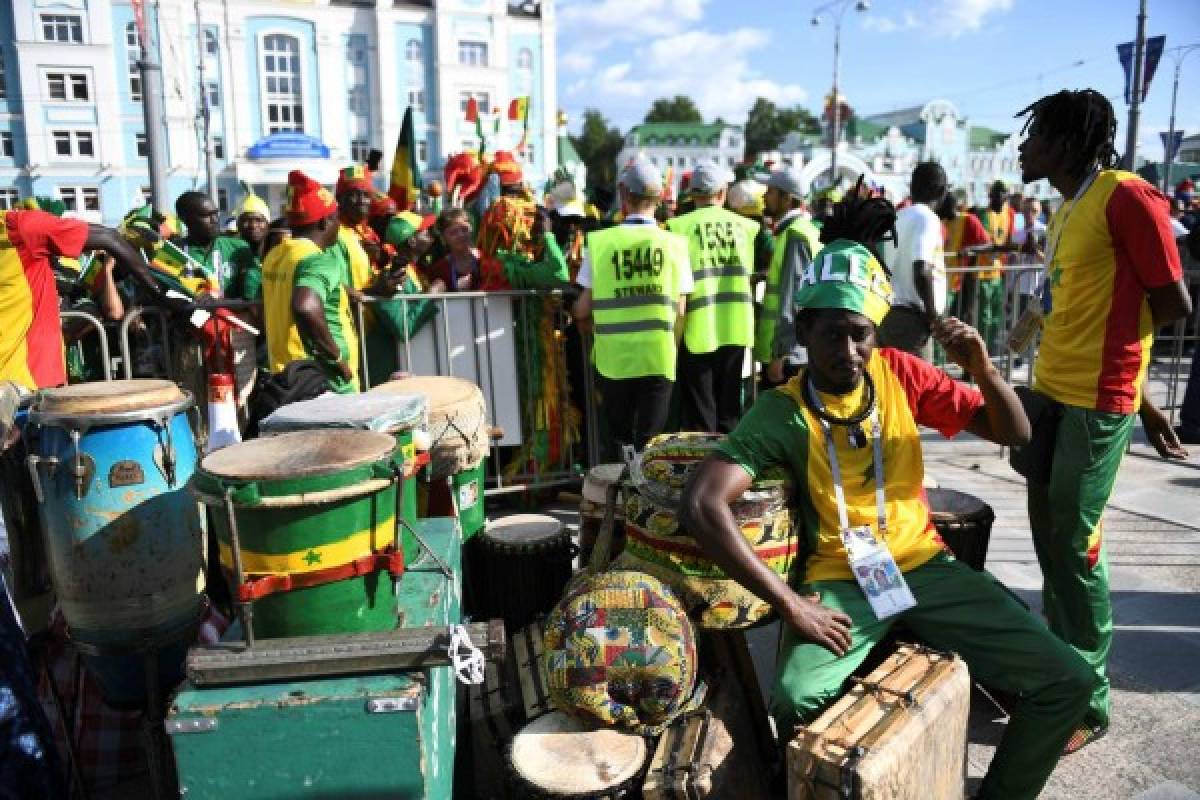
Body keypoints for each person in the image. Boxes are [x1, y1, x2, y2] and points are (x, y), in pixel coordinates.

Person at [680, 188, 1097, 800]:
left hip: (925, 565)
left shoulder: (900, 372)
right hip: (842, 576)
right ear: (804, 329)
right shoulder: (781, 409)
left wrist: (981, 369)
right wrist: (793, 605)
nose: (849, 353)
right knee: (795, 697)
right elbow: (700, 503)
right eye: (833, 335)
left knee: (1067, 680)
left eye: (861, 335)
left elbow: (1017, 432)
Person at [1014, 88, 1193, 753]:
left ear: (1065, 141)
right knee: (1047, 538)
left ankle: (1086, 703)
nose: (1023, 145)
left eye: (1034, 134)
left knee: (1075, 544)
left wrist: (1131, 390)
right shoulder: (1065, 208)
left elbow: (1171, 302)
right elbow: (1072, 303)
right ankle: (1058, 672)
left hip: (1096, 403)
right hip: (1049, 394)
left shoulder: (1128, 196)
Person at [571, 158, 691, 458]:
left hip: (614, 359)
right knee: (651, 447)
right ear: (660, 197)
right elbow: (680, 312)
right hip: (658, 356)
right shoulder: (675, 245)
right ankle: (647, 504)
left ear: (624, 194)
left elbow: (582, 310)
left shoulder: (601, 242)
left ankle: (621, 502)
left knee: (619, 444)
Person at [1, 207, 166, 390]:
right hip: (23, 384)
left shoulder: (17, 228)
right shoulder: (19, 227)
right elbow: (109, 237)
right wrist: (161, 293)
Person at [666, 163, 759, 432]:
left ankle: (702, 470)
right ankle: (729, 470)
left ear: (692, 194)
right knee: (730, 412)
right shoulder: (747, 227)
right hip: (736, 327)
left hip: (697, 328)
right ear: (723, 192)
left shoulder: (678, 227)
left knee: (701, 414)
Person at [261, 170, 359, 393]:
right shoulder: (317, 260)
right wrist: (336, 358)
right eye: (338, 220)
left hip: (286, 373)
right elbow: (305, 306)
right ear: (327, 222)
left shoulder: (276, 255)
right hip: (322, 379)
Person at [753, 166, 824, 388]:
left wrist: (783, 354)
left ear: (787, 199)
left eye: (770, 191)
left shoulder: (795, 235)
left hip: (788, 356)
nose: (764, 196)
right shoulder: (800, 230)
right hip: (793, 351)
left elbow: (794, 298)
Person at [877, 161, 947, 359]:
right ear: (941, 191)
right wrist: (934, 318)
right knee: (918, 387)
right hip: (911, 322)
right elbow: (921, 269)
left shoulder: (898, 217)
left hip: (888, 314)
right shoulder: (927, 218)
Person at [974, 181, 1016, 351]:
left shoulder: (1013, 215)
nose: (999, 197)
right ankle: (980, 351)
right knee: (983, 316)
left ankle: (991, 351)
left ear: (1007, 196)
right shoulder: (982, 214)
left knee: (996, 317)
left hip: (1000, 273)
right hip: (981, 274)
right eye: (996, 193)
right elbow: (984, 243)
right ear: (990, 196)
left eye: (1003, 193)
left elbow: (1016, 242)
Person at [938, 192, 990, 319]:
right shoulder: (940, 222)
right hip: (940, 278)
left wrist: (969, 249)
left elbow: (987, 245)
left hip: (959, 281)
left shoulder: (969, 220)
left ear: (951, 206)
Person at [426, 208, 505, 292]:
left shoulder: (487, 259)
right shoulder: (439, 269)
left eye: (464, 229)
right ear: (443, 238)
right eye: (453, 232)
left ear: (471, 229)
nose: (461, 235)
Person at [234, 190, 271, 261]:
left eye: (258, 220)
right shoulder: (227, 259)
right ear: (237, 225)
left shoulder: (278, 258)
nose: (253, 226)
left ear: (268, 225)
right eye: (246, 220)